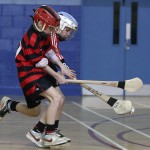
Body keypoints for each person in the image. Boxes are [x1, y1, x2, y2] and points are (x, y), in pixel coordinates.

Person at [0, 5, 76, 146]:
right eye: (51, 28)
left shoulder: (45, 34)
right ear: (40, 24)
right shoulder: (31, 38)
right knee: (56, 98)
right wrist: (57, 76)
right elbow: (41, 63)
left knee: (36, 110)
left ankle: (12, 108)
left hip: (38, 72)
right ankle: (49, 135)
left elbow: (50, 53)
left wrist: (62, 68)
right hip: (29, 74)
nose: (53, 31)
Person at [26, 11, 78, 147]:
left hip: (44, 69)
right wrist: (61, 71)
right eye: (67, 30)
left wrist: (63, 70)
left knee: (59, 98)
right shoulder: (49, 34)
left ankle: (49, 131)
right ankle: (46, 133)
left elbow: (53, 54)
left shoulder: (49, 33)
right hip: (36, 72)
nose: (68, 34)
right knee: (50, 102)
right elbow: (55, 54)